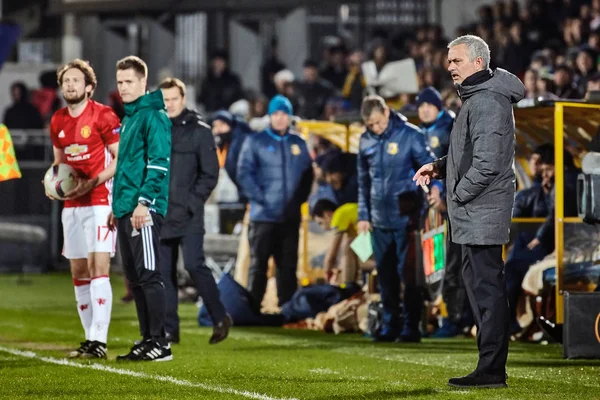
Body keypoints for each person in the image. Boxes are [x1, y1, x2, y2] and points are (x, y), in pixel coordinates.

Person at [414, 34, 525, 388]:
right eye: (449, 61)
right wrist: (438, 167)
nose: (449, 67)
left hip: (481, 210)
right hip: (474, 211)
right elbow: (468, 156)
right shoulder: (478, 98)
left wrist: (457, 194)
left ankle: (492, 369)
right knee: (480, 289)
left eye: (456, 61)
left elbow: (488, 164)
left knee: (487, 290)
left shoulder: (488, 101)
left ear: (478, 62)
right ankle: (488, 366)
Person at [46, 59, 121, 359]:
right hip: (72, 205)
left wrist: (93, 182)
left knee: (97, 268)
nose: (70, 85)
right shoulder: (58, 120)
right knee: (78, 271)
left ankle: (100, 341)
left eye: (76, 80)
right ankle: (90, 340)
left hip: (100, 200)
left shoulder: (103, 115)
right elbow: (58, 163)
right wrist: (52, 183)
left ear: (89, 87)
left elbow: (119, 159)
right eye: (66, 80)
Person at [157, 77, 232, 345]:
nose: (169, 104)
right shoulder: (155, 130)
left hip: (189, 214)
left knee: (193, 265)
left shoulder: (200, 131)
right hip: (162, 212)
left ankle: (219, 316)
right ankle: (169, 330)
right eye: (165, 100)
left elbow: (210, 173)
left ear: (183, 99)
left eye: (174, 99)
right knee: (163, 273)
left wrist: (192, 201)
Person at [107, 56, 172, 362]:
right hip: (126, 208)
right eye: (119, 82)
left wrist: (144, 203)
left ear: (143, 82)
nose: (123, 88)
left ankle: (161, 342)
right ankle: (148, 339)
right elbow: (126, 168)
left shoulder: (154, 115)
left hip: (143, 209)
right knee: (135, 279)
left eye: (129, 81)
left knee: (149, 275)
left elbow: (159, 164)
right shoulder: (131, 117)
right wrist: (117, 206)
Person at [357, 94, 435, 343]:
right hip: (379, 219)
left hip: (407, 219)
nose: (376, 128)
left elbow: (430, 166)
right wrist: (363, 215)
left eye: (379, 122)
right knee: (386, 275)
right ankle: (391, 325)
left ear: (387, 112)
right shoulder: (364, 141)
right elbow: (363, 182)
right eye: (371, 125)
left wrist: (435, 191)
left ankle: (411, 327)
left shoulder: (411, 135)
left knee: (409, 275)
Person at [237, 95, 314, 308]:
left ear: (289, 117)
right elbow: (244, 174)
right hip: (263, 216)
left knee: (288, 266)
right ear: (270, 116)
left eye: (284, 114)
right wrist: (261, 200)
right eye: (276, 114)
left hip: (290, 217)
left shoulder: (298, 143)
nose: (280, 118)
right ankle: (253, 307)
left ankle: (287, 308)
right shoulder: (255, 141)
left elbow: (308, 175)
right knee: (259, 264)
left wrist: (298, 202)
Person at [416, 86, 465, 339]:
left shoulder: (447, 127)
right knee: (439, 264)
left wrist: (442, 194)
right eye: (420, 105)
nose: (424, 109)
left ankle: (455, 318)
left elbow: (454, 164)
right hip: (432, 210)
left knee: (453, 264)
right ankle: (442, 316)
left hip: (452, 206)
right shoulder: (420, 132)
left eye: (428, 105)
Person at [311, 199, 360, 284]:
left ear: (327, 214)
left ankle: (348, 288)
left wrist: (327, 272)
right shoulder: (346, 215)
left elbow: (332, 254)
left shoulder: (339, 215)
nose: (323, 228)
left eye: (320, 223)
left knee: (348, 247)